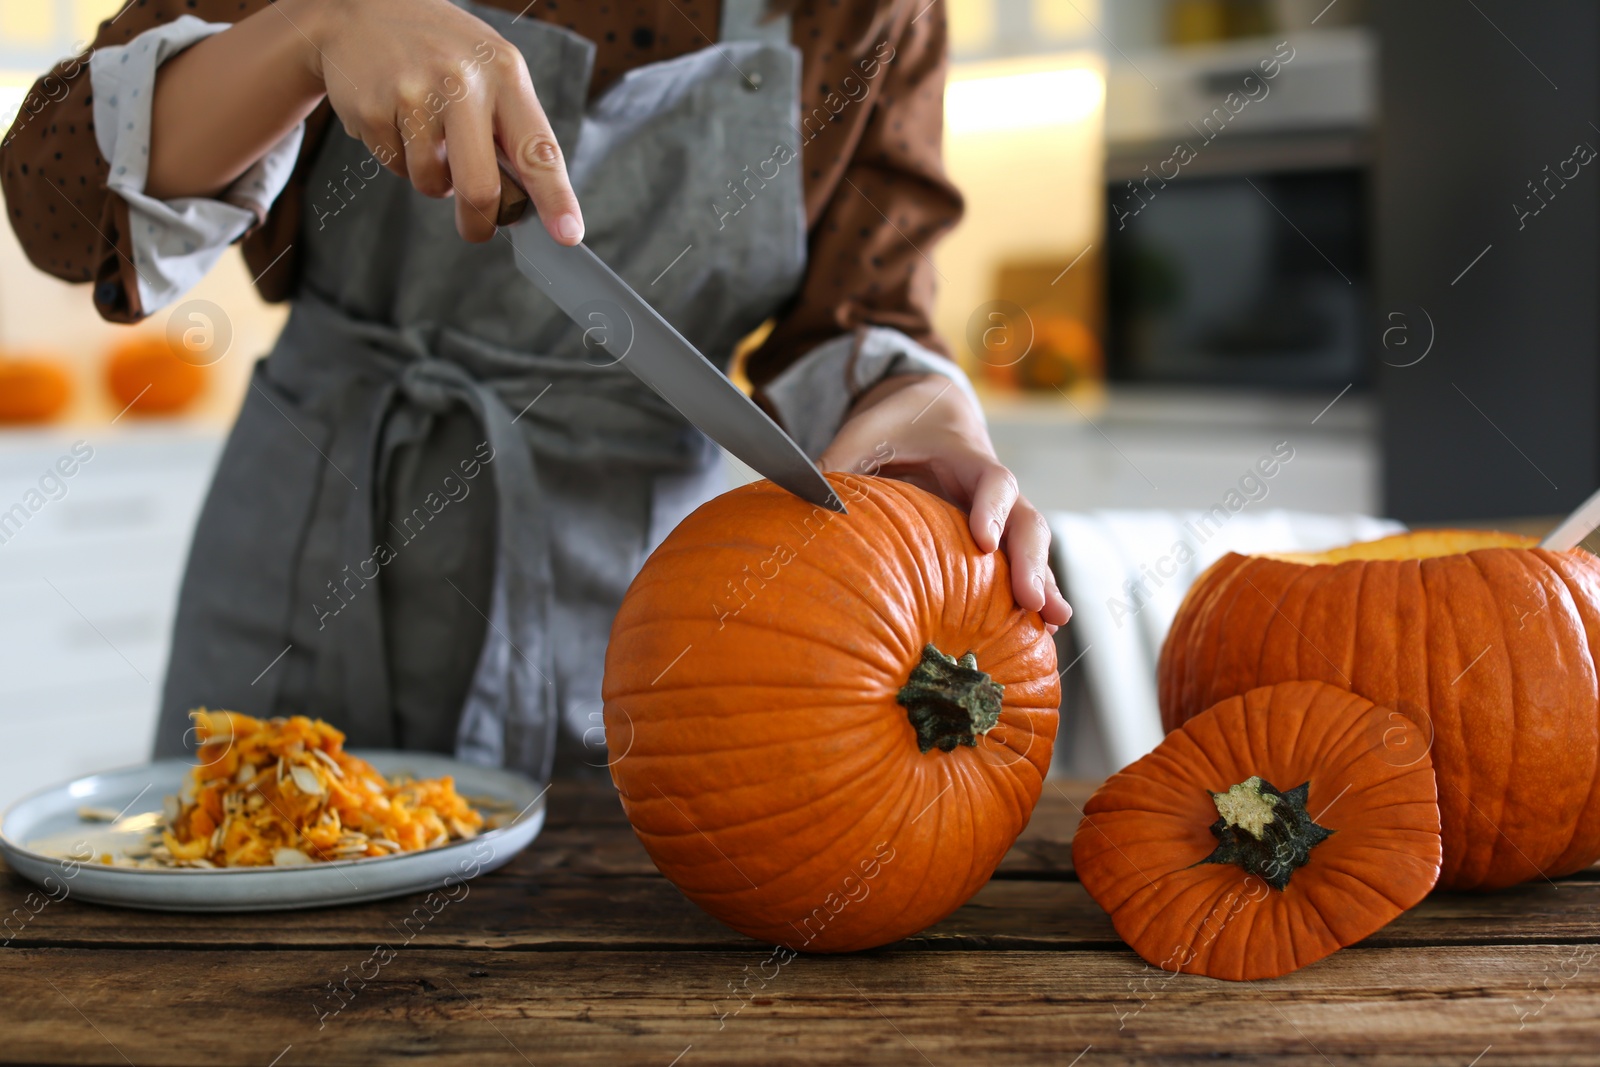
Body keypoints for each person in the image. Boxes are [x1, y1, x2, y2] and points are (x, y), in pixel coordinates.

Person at [1, 0, 1071, 781]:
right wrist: (311, 32)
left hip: (649, 638)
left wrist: (926, 417)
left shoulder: (875, 15)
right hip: (307, 550)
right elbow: (54, 208)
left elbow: (862, 315)